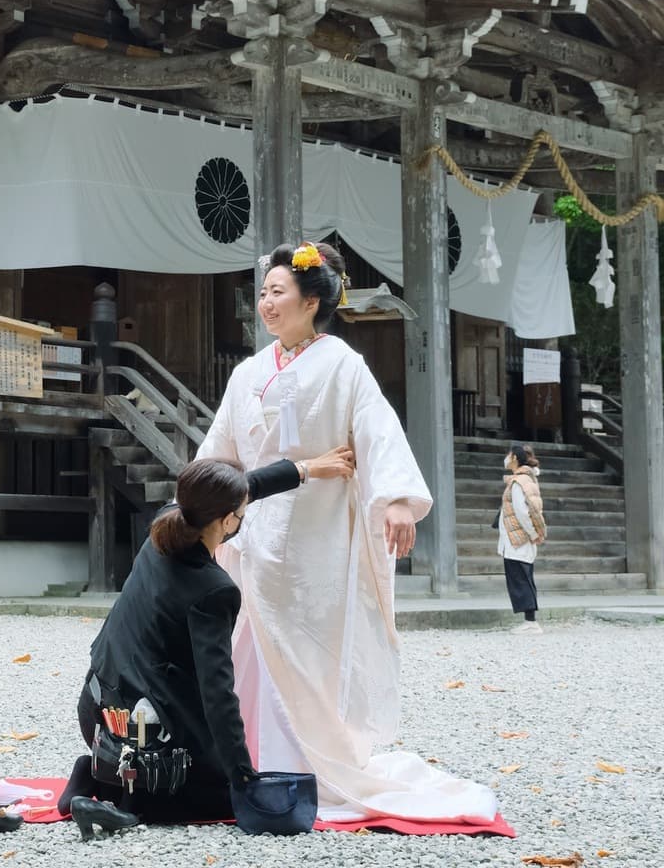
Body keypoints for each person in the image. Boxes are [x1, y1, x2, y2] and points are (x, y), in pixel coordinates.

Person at [194, 241, 498, 825]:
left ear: (312, 302)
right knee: (245, 646)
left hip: (317, 533)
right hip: (253, 533)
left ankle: (305, 768)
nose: (266, 303)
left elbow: (377, 432)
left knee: (307, 646)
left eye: (277, 292)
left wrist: (398, 501)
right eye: (263, 293)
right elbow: (219, 451)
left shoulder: (342, 365)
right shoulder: (248, 373)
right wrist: (202, 504)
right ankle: (245, 762)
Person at [57, 450, 355, 837]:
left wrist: (304, 470)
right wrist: (242, 777)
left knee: (169, 757)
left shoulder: (166, 522)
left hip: (98, 710)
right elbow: (218, 694)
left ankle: (97, 773)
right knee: (215, 796)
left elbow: (240, 489)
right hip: (153, 736)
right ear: (229, 519)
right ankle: (123, 797)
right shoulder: (212, 590)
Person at [498, 443, 547, 634]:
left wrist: (533, 534)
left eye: (508, 455)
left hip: (518, 538)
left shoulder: (519, 482)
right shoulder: (525, 479)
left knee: (521, 580)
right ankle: (530, 620)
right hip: (517, 537)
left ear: (515, 458)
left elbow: (522, 511)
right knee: (523, 578)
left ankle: (531, 622)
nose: (506, 458)